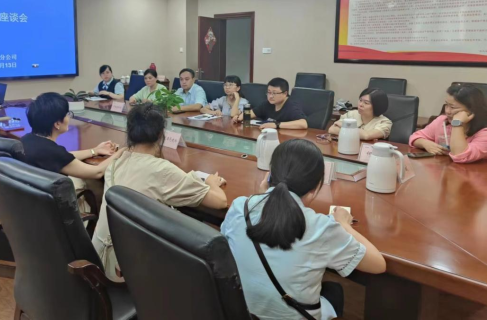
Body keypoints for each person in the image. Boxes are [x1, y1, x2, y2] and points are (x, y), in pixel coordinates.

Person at [221, 139, 386, 320]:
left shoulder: (240, 206)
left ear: (269, 175)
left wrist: (262, 195)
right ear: (315, 188)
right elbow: (378, 264)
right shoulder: (321, 227)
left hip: (240, 312)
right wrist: (344, 224)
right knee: (334, 291)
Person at [93, 103, 228, 281]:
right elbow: (220, 201)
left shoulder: (117, 162)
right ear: (160, 134)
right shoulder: (161, 170)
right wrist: (211, 182)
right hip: (130, 271)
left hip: (101, 259)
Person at [22, 92, 121, 179]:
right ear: (57, 124)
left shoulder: (26, 140)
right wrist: (121, 152)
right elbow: (97, 172)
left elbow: (65, 156)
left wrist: (95, 150)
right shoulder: (53, 152)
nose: (69, 117)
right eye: (67, 114)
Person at [410, 84, 487, 163]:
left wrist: (457, 124)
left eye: (453, 107)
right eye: (446, 105)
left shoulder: (484, 132)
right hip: (445, 168)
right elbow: (415, 137)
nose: (447, 111)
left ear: (471, 110)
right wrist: (425, 143)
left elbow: (460, 156)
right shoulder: (442, 121)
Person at [235, 78, 307, 130]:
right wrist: (239, 117)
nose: (270, 96)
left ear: (285, 93)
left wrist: (276, 125)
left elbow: (303, 124)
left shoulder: (291, 106)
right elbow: (252, 113)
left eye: (274, 93)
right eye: (269, 92)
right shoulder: (268, 103)